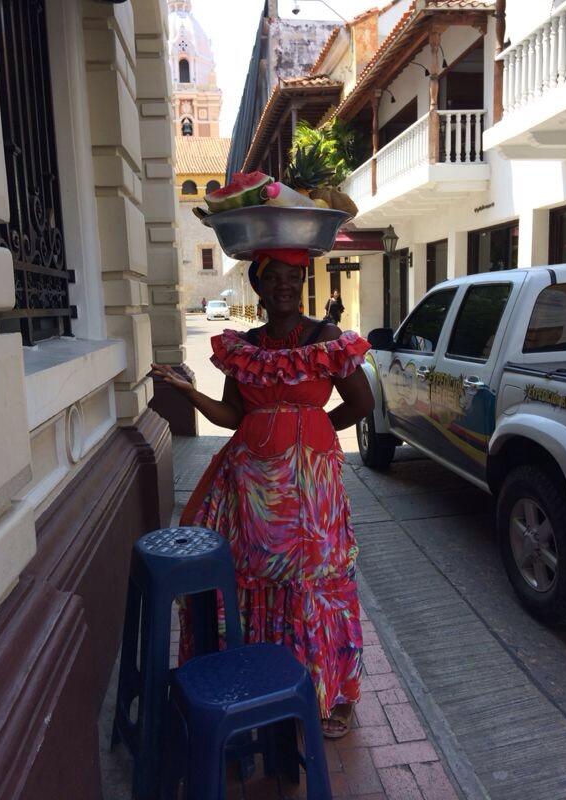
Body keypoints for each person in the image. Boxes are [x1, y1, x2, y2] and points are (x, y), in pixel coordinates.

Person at [151, 248, 374, 738]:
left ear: (302, 279)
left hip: (311, 490)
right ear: (259, 284)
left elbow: (362, 402)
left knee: (318, 582)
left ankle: (333, 690)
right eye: (273, 278)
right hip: (252, 490)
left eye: (292, 277)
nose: (284, 286)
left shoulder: (327, 339)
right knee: (259, 581)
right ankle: (264, 684)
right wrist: (189, 392)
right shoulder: (244, 347)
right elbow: (231, 417)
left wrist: (309, 432)